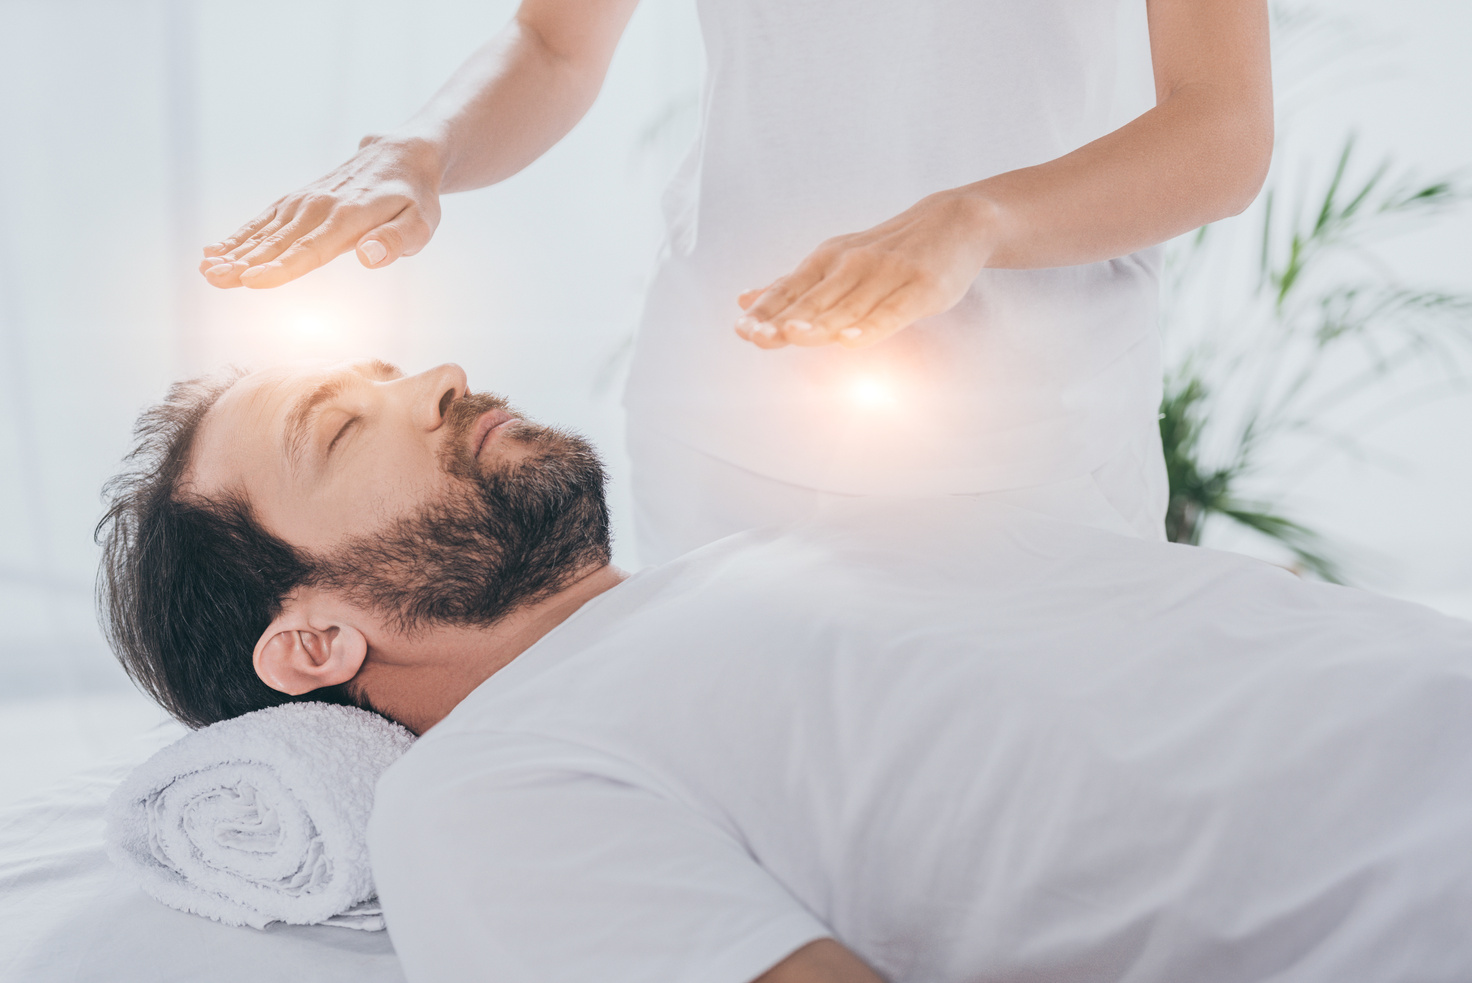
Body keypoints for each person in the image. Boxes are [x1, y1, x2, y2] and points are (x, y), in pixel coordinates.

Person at [97, 358, 1472, 983]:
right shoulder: (480, 796)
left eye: (393, 366)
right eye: (345, 427)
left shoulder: (825, 535)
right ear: (317, 641)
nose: (441, 375)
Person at [195, 0, 1273, 561]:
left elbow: (1220, 132)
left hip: (1030, 434)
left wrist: (973, 220)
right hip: (725, 418)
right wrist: (420, 149)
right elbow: (555, 44)